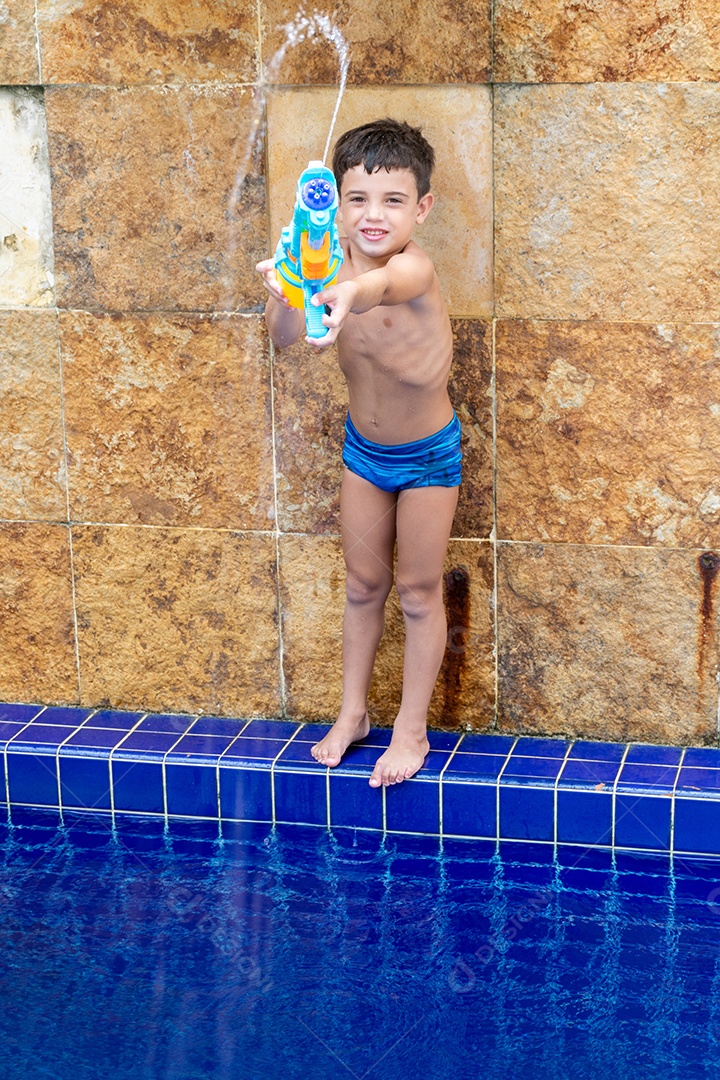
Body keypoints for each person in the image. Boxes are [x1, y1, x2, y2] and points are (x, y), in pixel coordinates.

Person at [256, 118, 460, 788]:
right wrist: (288, 287)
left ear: (421, 208)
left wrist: (348, 292)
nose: (374, 215)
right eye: (358, 199)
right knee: (363, 585)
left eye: (393, 200)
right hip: (364, 454)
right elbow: (285, 336)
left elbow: (381, 287)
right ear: (337, 206)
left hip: (427, 457)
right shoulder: (324, 261)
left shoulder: (412, 267)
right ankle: (354, 713)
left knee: (418, 590)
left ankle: (411, 727)